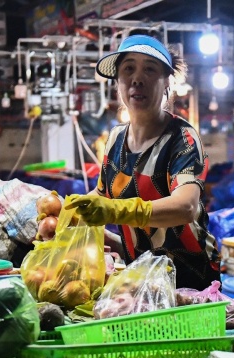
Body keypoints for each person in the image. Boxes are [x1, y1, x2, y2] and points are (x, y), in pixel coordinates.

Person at [66, 34, 220, 290]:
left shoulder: (181, 137)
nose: (137, 78)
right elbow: (102, 195)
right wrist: (72, 212)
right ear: (118, 82)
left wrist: (116, 210)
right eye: (128, 69)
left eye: (150, 69)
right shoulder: (115, 139)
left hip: (190, 279)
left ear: (166, 82)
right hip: (142, 276)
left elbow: (185, 207)